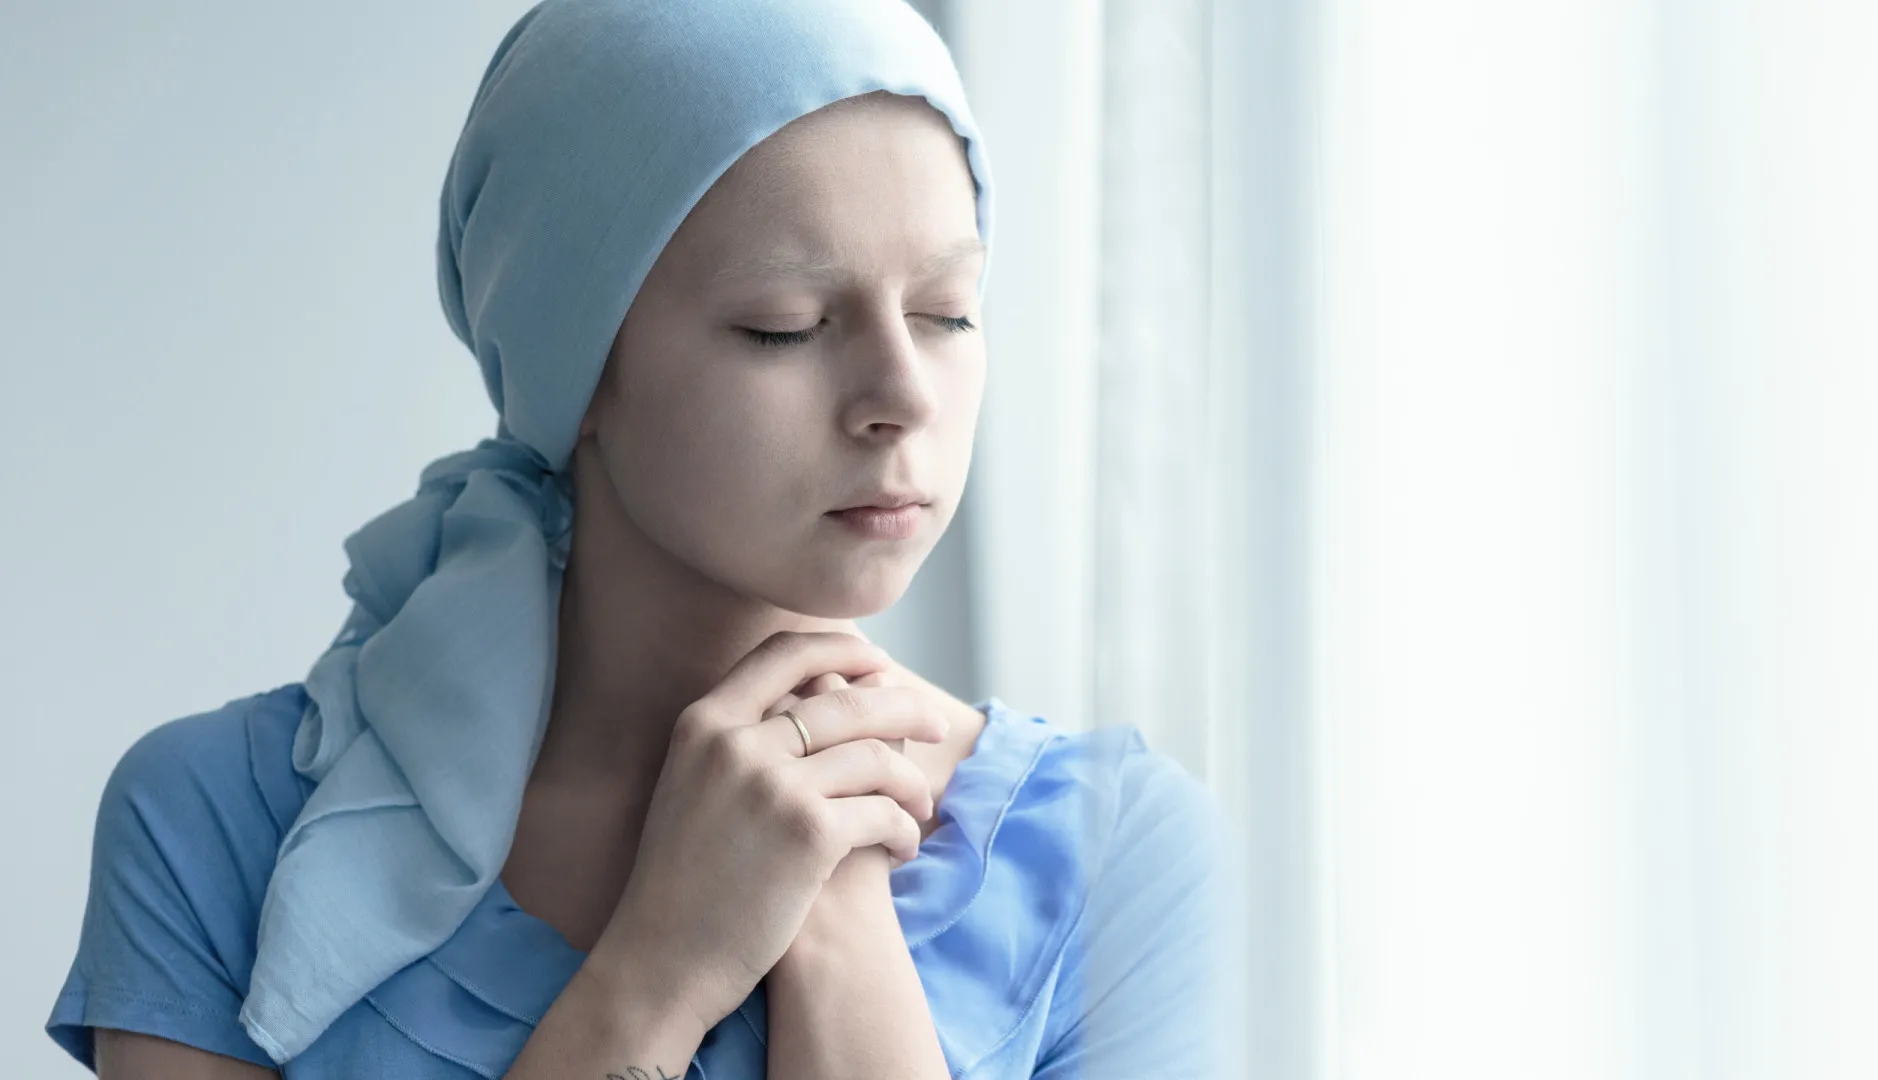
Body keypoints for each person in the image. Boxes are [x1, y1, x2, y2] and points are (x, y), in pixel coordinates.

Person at [44, 1, 1234, 1077]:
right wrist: (661, 971)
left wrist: (837, 923)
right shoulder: (220, 822)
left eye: (948, 313)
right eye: (786, 325)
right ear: (572, 367)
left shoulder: (1113, 856)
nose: (903, 394)